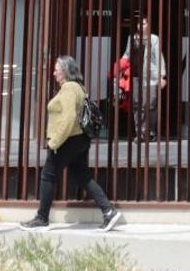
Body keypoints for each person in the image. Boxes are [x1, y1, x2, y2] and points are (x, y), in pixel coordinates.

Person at [19, 55, 121, 232]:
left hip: (67, 140)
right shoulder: (79, 87)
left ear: (65, 71)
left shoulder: (68, 89)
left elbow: (68, 118)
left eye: (56, 69)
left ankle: (42, 218)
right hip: (80, 140)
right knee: (83, 177)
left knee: (48, 175)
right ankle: (109, 211)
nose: (54, 73)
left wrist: (54, 142)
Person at [120, 16, 167, 142]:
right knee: (137, 105)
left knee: (150, 104)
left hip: (151, 76)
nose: (141, 26)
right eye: (139, 24)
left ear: (149, 25)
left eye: (144, 24)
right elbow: (127, 54)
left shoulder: (154, 39)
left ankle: (149, 130)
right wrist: (120, 65)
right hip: (135, 76)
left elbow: (158, 56)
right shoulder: (132, 38)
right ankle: (140, 132)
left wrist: (162, 76)